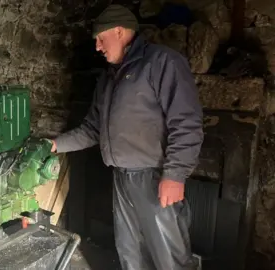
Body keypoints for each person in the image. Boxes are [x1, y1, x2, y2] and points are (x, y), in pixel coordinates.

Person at [50, 4, 203, 270]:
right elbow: (92, 129)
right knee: (130, 254)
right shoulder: (109, 78)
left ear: (119, 31)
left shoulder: (162, 62)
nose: (97, 46)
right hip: (121, 177)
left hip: (154, 178)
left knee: (171, 259)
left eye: (100, 38)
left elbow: (187, 122)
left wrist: (175, 175)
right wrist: (54, 145)